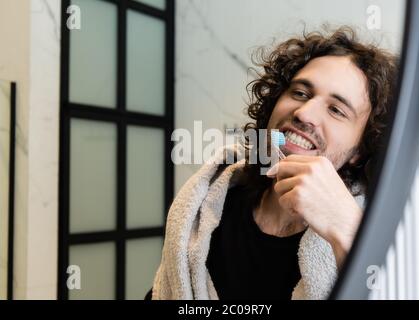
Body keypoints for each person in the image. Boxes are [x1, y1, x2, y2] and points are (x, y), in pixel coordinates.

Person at [148, 27, 398, 300]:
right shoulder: (211, 201)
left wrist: (348, 230)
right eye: (301, 93)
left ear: (360, 151)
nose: (304, 113)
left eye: (336, 110)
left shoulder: (380, 230)